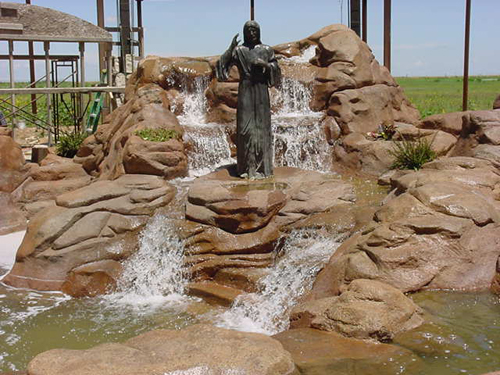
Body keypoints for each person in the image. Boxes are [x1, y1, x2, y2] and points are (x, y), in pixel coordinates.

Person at [216, 20, 281, 179]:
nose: (252, 33)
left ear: (259, 32)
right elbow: (221, 67)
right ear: (245, 32)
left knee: (261, 127)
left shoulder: (266, 49)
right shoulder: (239, 50)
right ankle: (245, 167)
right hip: (245, 89)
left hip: (260, 89)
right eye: (249, 30)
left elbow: (276, 71)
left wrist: (265, 65)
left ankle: (262, 169)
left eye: (254, 30)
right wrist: (230, 49)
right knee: (245, 129)